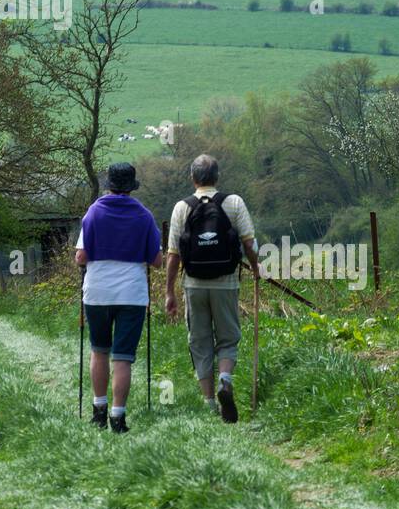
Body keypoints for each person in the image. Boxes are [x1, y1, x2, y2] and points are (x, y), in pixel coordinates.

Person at [165, 154, 260, 424]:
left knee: (200, 341)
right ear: (217, 177)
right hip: (226, 282)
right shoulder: (234, 202)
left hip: (193, 285)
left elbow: (173, 254)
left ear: (192, 178)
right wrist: (255, 268)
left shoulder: (182, 208)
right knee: (228, 337)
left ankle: (209, 403)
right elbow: (249, 243)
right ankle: (225, 380)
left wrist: (169, 291)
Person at [75, 162, 163, 434]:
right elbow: (157, 261)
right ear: (132, 186)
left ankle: (98, 410)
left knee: (99, 350)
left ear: (109, 184)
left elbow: (81, 256)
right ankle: (118, 416)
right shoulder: (144, 216)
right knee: (123, 357)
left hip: (98, 291)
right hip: (132, 294)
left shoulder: (93, 213)